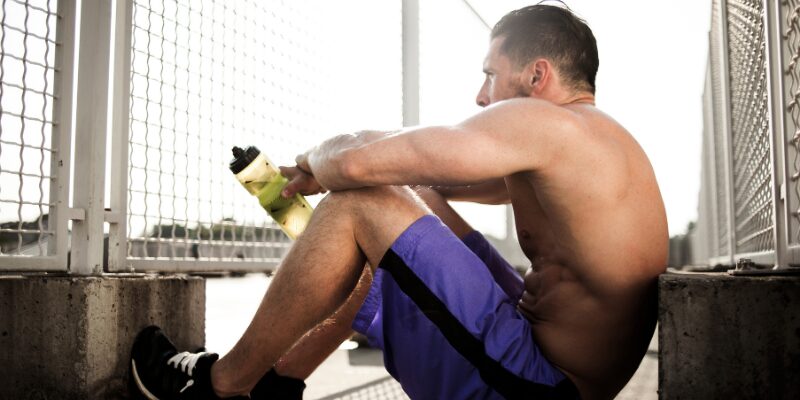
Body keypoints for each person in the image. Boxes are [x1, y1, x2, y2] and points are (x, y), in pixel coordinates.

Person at [129, 3, 667, 399]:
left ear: (536, 76)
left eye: (489, 74)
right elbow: (421, 190)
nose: (482, 96)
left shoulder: (547, 122)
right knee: (410, 204)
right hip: (555, 370)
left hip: (537, 383)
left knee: (358, 206)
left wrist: (315, 161)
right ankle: (280, 381)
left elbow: (362, 166)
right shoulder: (598, 145)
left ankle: (219, 389)